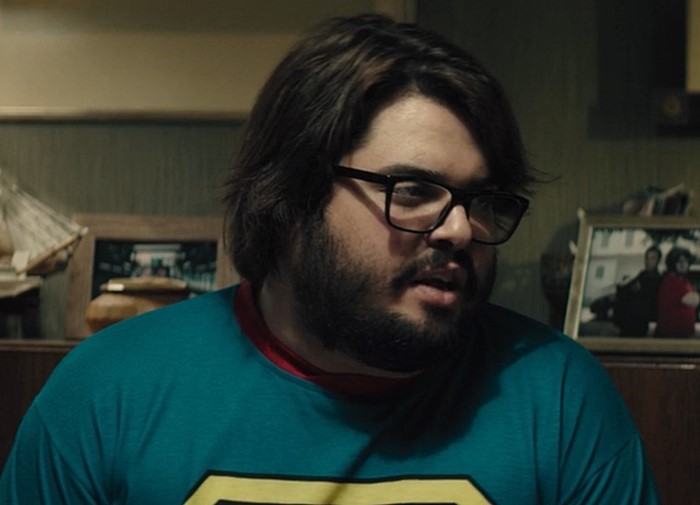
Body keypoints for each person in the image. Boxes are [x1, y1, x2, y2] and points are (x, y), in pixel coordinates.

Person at [0, 14, 658, 504]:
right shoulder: (108, 396)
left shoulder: (558, 398)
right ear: (291, 199)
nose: (461, 229)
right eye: (414, 191)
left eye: (481, 200)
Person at [613, 245, 662, 336]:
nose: (649, 261)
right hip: (628, 318)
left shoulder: (657, 278)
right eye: (647, 258)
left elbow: (650, 298)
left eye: (653, 258)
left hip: (641, 320)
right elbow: (626, 289)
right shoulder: (642, 273)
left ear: (658, 260)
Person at [656, 247, 699, 338]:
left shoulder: (683, 281)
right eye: (679, 261)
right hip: (670, 337)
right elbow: (693, 300)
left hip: (681, 336)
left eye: (686, 261)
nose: (683, 264)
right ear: (672, 263)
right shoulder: (670, 281)